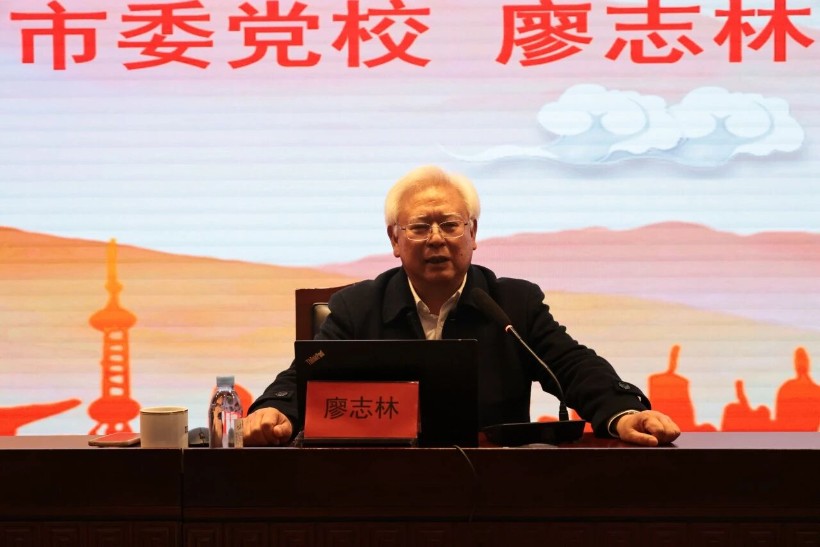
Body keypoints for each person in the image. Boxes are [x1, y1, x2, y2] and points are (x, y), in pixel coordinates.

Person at [244, 165, 681, 447]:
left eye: (450, 225)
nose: (436, 239)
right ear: (395, 240)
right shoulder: (358, 307)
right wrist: (275, 410)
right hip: (379, 482)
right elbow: (304, 378)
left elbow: (572, 366)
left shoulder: (512, 304)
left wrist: (623, 412)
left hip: (495, 487)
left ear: (473, 234)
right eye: (420, 227)